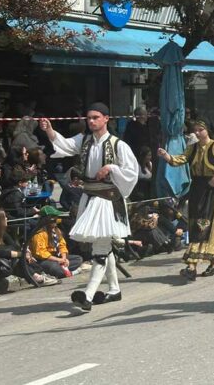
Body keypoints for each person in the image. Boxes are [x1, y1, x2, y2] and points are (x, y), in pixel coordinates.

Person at [40, 102, 138, 312]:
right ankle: (113, 289)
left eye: (95, 117)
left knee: (100, 248)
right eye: (89, 118)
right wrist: (49, 129)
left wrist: (111, 167)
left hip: (107, 199)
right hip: (90, 196)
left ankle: (88, 294)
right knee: (102, 243)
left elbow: (131, 172)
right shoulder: (83, 140)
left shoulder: (118, 145)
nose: (91, 121)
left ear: (106, 119)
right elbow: (64, 145)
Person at [158, 120, 214, 280]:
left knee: (204, 227)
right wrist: (167, 157)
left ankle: (191, 266)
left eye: (201, 129)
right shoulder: (192, 148)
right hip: (197, 191)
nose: (198, 133)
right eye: (196, 130)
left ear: (207, 130)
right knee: (196, 226)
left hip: (212, 193)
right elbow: (180, 159)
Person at [0, 209, 59, 287]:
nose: (6, 219)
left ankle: (40, 274)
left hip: (8, 263)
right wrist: (19, 254)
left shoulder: (3, 234)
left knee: (24, 258)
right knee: (18, 260)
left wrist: (25, 253)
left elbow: (15, 246)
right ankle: (37, 278)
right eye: (4, 217)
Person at [29, 208, 84, 279]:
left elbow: (62, 245)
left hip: (57, 257)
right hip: (45, 260)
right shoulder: (39, 233)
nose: (56, 220)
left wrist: (63, 258)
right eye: (53, 218)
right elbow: (41, 253)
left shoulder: (56, 230)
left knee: (78, 259)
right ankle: (67, 272)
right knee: (54, 267)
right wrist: (58, 260)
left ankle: (63, 270)